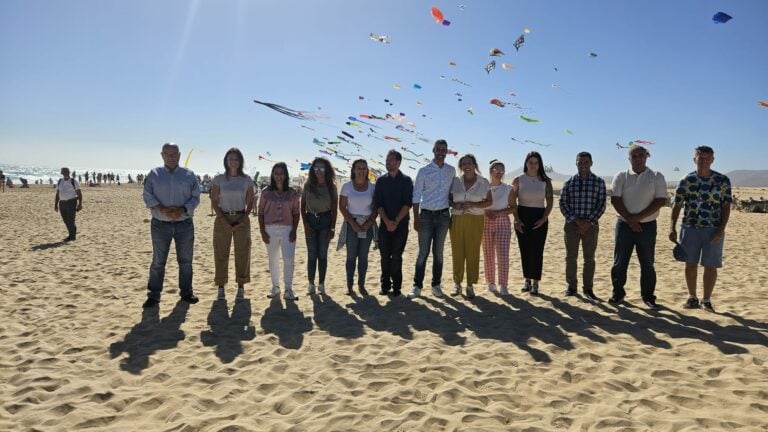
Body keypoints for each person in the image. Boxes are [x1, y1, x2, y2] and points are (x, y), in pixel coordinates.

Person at [669, 146, 731, 312]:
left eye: (707, 158)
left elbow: (726, 207)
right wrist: (672, 227)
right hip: (690, 228)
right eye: (700, 158)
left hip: (713, 229)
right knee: (690, 264)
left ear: (712, 160)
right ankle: (692, 297)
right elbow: (677, 205)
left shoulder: (722, 180)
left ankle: (706, 300)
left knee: (711, 266)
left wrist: (721, 229)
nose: (703, 161)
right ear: (694, 159)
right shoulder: (686, 180)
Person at [141, 142, 201, 308]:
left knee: (186, 261)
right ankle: (154, 295)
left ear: (179, 155)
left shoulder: (189, 175)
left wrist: (181, 210)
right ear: (162, 155)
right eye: (167, 154)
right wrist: (162, 209)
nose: (171, 157)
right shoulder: (154, 174)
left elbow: (196, 197)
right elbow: (147, 195)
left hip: (184, 224)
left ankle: (186, 292)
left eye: (174, 154)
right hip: (160, 224)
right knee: (158, 262)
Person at [609, 145, 667, 309]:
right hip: (624, 225)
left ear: (647, 156)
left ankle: (648, 296)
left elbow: (660, 200)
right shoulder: (621, 176)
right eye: (634, 156)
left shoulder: (656, 176)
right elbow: (616, 199)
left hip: (648, 226)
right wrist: (630, 220)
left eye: (641, 155)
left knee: (647, 263)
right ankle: (618, 294)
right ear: (629, 158)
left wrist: (638, 218)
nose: (638, 158)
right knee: (620, 262)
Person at [407, 139, 455, 299]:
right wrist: (415, 218)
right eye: (438, 149)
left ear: (447, 152)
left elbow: (452, 192)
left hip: (443, 216)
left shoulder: (451, 170)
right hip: (426, 216)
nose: (441, 152)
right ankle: (417, 286)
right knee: (423, 253)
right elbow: (416, 196)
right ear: (433, 150)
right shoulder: (424, 171)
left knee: (439, 253)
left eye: (444, 149)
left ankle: (436, 285)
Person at [559, 152, 606, 301]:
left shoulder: (599, 182)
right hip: (571, 225)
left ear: (591, 163)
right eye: (580, 162)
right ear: (576, 163)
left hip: (591, 226)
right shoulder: (569, 183)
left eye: (586, 162)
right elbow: (563, 204)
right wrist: (577, 221)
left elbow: (601, 205)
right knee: (571, 257)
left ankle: (588, 289)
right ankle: (572, 287)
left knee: (589, 258)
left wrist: (587, 223)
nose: (583, 165)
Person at [211, 148, 255, 302]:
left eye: (236, 158)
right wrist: (222, 219)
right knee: (221, 253)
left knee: (242, 253)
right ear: (226, 160)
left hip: (241, 218)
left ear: (240, 161)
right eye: (230, 158)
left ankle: (241, 286)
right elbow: (214, 201)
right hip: (222, 217)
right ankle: (221, 287)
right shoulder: (219, 179)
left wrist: (242, 219)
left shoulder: (247, 180)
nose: (233, 161)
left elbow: (250, 202)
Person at [448, 154, 492, 298]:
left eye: (469, 163)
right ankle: (457, 283)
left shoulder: (483, 182)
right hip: (457, 219)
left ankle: (470, 285)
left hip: (476, 219)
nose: (467, 166)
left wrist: (473, 204)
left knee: (473, 252)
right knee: (457, 251)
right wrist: (455, 204)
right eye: (463, 164)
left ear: (475, 165)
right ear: (460, 167)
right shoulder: (455, 182)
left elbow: (489, 202)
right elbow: (449, 199)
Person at [510, 151, 553, 295]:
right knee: (525, 249)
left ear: (540, 164)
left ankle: (536, 282)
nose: (533, 165)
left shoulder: (546, 181)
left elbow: (550, 201)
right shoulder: (518, 179)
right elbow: (512, 201)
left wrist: (544, 218)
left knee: (537, 250)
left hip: (539, 217)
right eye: (530, 162)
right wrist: (516, 219)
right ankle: (527, 280)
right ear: (526, 163)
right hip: (522, 215)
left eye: (536, 162)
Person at [259, 162, 301, 300]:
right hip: (269, 229)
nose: (279, 176)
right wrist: (262, 232)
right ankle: (275, 287)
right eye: (276, 173)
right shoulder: (265, 193)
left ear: (286, 175)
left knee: (289, 259)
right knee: (273, 259)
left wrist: (294, 230)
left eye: (281, 173)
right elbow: (260, 213)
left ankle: (288, 289)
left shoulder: (292, 193)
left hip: (287, 229)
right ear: (272, 175)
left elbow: (296, 213)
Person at [373, 149, 413, 297]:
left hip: (401, 225)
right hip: (384, 224)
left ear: (398, 162)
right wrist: (387, 222)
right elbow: (379, 204)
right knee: (384, 256)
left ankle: (397, 287)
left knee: (396, 256)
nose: (387, 162)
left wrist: (395, 221)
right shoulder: (381, 181)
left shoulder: (406, 181)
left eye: (391, 160)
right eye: (387, 160)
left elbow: (407, 204)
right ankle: (385, 286)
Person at [338, 159, 377, 296]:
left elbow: (376, 208)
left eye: (364, 168)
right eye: (359, 168)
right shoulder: (347, 186)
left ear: (367, 171)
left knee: (363, 257)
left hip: (367, 225)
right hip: (351, 225)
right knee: (351, 257)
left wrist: (369, 223)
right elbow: (342, 207)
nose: (361, 170)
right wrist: (353, 223)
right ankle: (349, 286)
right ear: (353, 170)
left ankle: (361, 285)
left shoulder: (373, 187)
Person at [301, 157, 338, 296]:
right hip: (310, 220)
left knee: (322, 254)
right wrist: (305, 225)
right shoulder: (308, 185)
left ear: (326, 170)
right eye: (316, 168)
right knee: (312, 254)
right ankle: (311, 284)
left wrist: (332, 228)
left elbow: (335, 209)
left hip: (325, 222)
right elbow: (302, 206)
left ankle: (321, 284)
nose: (319, 171)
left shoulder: (331, 187)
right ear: (312, 170)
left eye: (322, 168)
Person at [482, 160, 514, 296]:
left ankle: (504, 285)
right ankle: (490, 283)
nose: (500, 174)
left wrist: (498, 213)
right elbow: (478, 204)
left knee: (503, 254)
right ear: (491, 171)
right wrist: (486, 212)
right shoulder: (483, 187)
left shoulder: (508, 188)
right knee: (488, 253)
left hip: (502, 221)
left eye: (502, 171)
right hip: (485, 221)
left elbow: (513, 207)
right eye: (497, 171)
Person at [54, 167, 83, 241]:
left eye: (66, 172)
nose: (65, 173)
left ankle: (72, 237)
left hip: (71, 202)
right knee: (65, 220)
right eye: (63, 172)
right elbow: (57, 193)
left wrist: (80, 204)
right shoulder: (60, 181)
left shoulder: (73, 181)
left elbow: (79, 193)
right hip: (62, 203)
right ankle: (71, 234)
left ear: (69, 173)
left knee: (70, 220)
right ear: (62, 173)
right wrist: (56, 205)